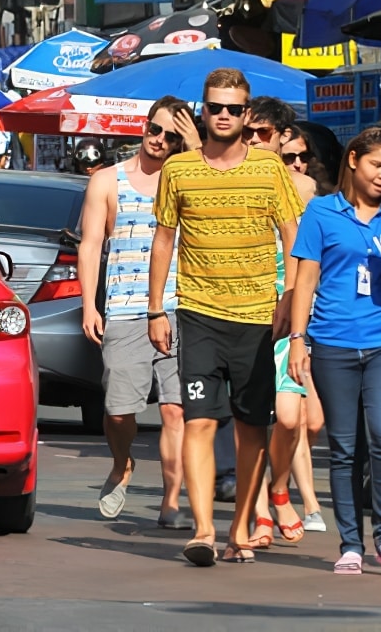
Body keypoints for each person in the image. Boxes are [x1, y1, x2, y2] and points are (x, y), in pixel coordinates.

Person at [147, 69, 304, 566]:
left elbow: (292, 237)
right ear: (204, 108)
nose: (223, 115)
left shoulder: (270, 168)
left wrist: (289, 299)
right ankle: (201, 530)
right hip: (198, 314)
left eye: (234, 109)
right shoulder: (179, 170)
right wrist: (156, 309)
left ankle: (239, 527)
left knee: (252, 425)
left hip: (259, 317)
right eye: (215, 106)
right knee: (199, 420)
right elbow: (164, 241)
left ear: (245, 112)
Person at [286, 125, 381, 577]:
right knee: (345, 447)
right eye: (376, 165)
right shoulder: (322, 213)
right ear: (353, 161)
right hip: (332, 341)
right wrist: (297, 340)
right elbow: (305, 280)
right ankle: (351, 543)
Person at [81, 96, 192, 528]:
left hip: (180, 306)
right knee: (118, 411)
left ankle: (172, 500)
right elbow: (91, 245)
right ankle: (122, 462)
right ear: (144, 127)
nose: (160, 140)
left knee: (175, 409)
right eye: (155, 130)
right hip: (124, 309)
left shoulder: (186, 178)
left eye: (171, 135)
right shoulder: (107, 180)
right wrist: (90, 304)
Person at [241, 101, 321, 547]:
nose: (253, 140)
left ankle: (278, 487)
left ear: (282, 136)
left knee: (294, 420)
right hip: (242, 312)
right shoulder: (231, 180)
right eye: (248, 132)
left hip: (290, 315)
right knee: (250, 419)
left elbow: (314, 258)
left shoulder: (305, 189)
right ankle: (260, 514)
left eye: (263, 133)